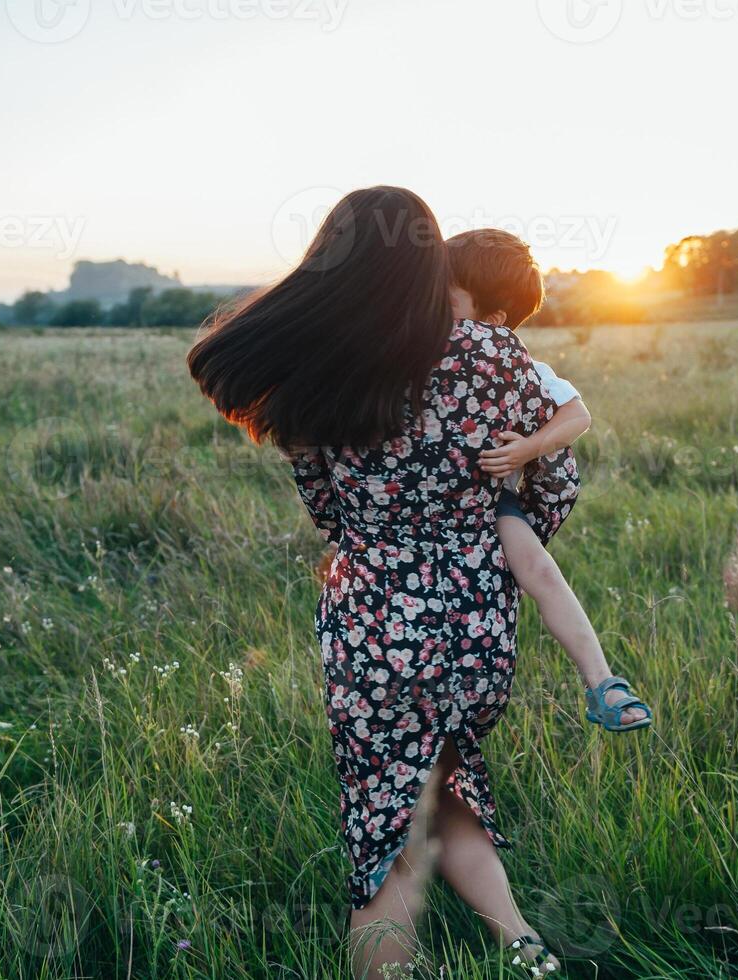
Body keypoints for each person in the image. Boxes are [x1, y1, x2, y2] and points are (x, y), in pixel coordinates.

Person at [188, 187, 576, 978]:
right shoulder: (491, 354)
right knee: (443, 783)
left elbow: (327, 511)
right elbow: (554, 483)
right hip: (476, 627)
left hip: (373, 625)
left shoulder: (313, 373)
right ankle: (529, 954)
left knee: (385, 834)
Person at [447, 229, 652, 733]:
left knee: (538, 570)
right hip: (418, 508)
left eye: (445, 293)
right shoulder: (414, 350)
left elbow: (577, 416)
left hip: (488, 501)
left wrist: (526, 448)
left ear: (492, 322)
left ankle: (601, 682)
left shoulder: (522, 368)